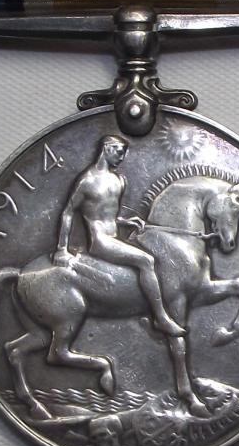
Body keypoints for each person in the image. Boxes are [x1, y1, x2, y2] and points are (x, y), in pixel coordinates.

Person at [53, 135, 184, 336]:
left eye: (123, 153)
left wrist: (125, 221)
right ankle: (160, 318)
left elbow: (106, 214)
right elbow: (68, 212)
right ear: (107, 149)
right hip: (101, 241)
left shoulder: (118, 180)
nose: (122, 158)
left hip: (114, 236)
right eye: (119, 152)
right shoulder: (87, 181)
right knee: (146, 261)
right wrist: (61, 249)